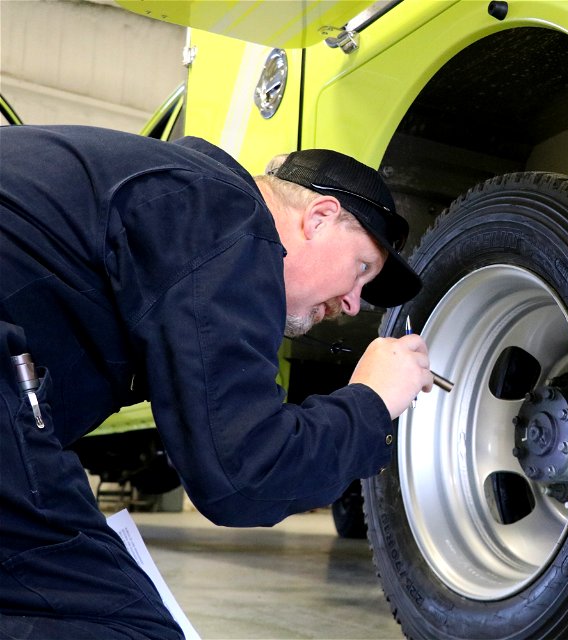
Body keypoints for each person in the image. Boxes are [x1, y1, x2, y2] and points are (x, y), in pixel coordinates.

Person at [0, 124, 432, 639]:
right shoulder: (228, 214)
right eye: (361, 268)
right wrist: (373, 401)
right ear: (319, 218)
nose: (353, 304)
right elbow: (243, 472)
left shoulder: (177, 198)